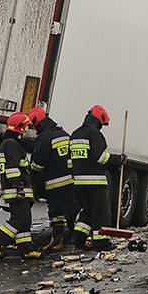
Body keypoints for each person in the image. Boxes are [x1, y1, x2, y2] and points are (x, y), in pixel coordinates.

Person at [0, 113, 41, 259]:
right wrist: (19, 186)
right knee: (19, 219)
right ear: (20, 128)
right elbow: (12, 168)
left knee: (25, 220)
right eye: (26, 127)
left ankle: (26, 249)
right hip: (17, 190)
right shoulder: (11, 144)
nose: (27, 130)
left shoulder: (9, 142)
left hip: (16, 189)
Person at [70, 105, 122, 250]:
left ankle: (78, 238)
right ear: (99, 121)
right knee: (101, 212)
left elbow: (70, 160)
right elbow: (100, 157)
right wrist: (118, 159)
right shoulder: (95, 134)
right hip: (95, 181)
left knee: (87, 210)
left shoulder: (75, 134)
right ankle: (101, 243)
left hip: (79, 182)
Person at [27, 107, 78, 253]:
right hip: (69, 180)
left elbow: (38, 164)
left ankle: (59, 239)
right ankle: (74, 236)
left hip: (54, 183)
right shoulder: (64, 134)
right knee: (70, 210)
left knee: (56, 212)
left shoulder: (44, 138)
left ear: (37, 123)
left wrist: (33, 175)